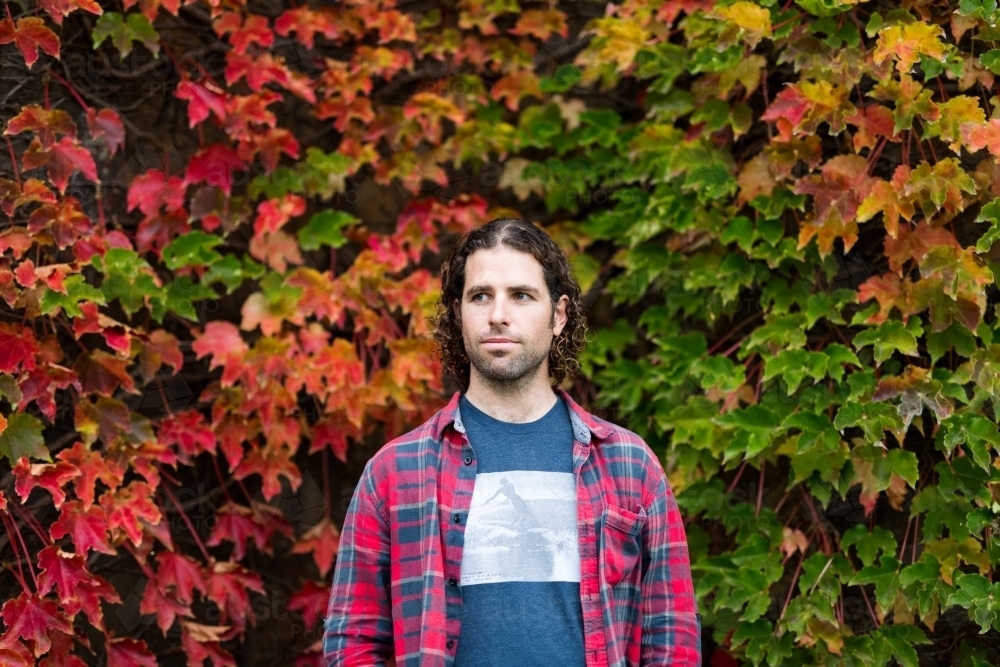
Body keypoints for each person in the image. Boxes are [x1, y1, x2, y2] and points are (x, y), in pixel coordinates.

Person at [323, 217, 701, 666]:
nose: (498, 313)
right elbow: (352, 642)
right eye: (480, 296)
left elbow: (672, 635)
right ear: (459, 313)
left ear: (558, 315)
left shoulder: (629, 464)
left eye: (521, 296)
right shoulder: (394, 473)